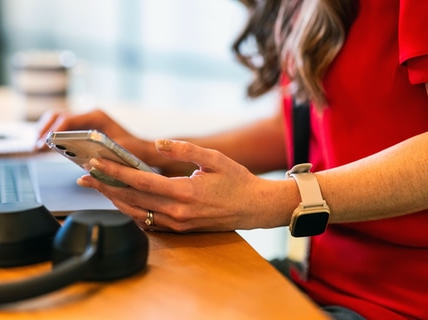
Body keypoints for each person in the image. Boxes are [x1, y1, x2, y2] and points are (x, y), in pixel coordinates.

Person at [36, 0, 428, 318]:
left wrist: (269, 202)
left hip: (394, 301)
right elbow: (300, 127)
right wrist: (149, 151)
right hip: (319, 278)